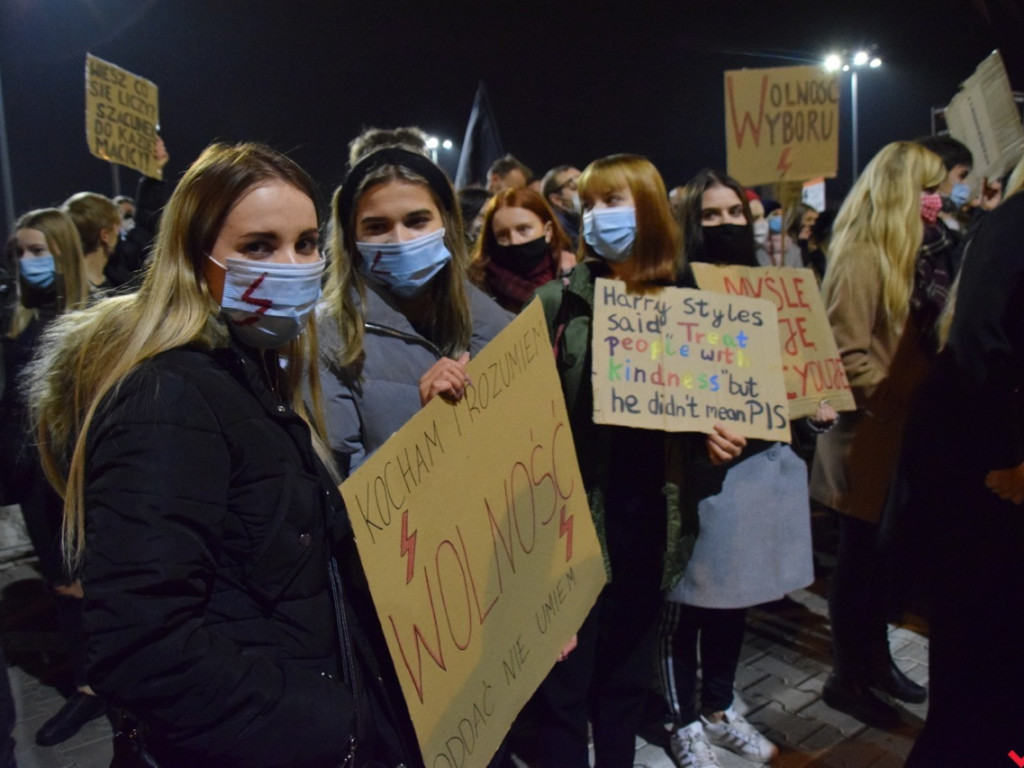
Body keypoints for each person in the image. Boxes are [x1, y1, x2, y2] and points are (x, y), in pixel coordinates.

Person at [25, 142, 416, 767]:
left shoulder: (253, 372)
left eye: (307, 243)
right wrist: (335, 723)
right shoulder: (168, 396)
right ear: (192, 258)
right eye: (258, 246)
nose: (292, 265)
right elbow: (141, 647)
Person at [528, 154, 746, 768]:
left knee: (626, 679)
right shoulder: (556, 307)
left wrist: (718, 446)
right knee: (565, 689)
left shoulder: (691, 306)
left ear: (649, 211)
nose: (597, 216)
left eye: (613, 202)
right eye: (589, 204)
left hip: (650, 521)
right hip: (573, 526)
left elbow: (716, 427)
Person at [664, 168, 833, 767]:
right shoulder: (673, 289)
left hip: (763, 468)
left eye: (735, 213)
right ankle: (680, 719)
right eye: (711, 216)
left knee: (737, 599)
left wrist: (817, 409)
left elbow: (800, 377)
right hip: (705, 474)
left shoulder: (776, 288)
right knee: (693, 603)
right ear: (691, 224)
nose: (726, 224)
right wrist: (698, 429)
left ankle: (716, 707)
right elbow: (659, 387)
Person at [810, 141, 945, 728]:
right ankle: (848, 677)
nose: (938, 200)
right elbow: (845, 357)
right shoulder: (863, 255)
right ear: (902, 192)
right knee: (858, 566)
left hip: (896, 440)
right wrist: (902, 391)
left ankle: (877, 661)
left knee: (880, 567)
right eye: (930, 187)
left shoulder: (909, 253)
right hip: (865, 441)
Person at [895, 157, 1024, 767]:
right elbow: (979, 343)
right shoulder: (1014, 224)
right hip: (994, 482)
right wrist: (1011, 456)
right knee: (982, 654)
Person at [319, 131, 511, 473]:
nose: (401, 240)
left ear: (447, 223)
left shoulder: (498, 324)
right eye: (377, 227)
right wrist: (425, 431)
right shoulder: (329, 337)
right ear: (351, 239)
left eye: (417, 221)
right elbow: (338, 482)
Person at [0, 208, 95, 747]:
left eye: (38, 251)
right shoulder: (19, 321)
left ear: (64, 254)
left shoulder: (93, 319)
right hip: (36, 480)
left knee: (95, 583)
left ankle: (113, 685)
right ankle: (86, 684)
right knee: (64, 585)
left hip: (82, 476)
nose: (27, 263)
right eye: (19, 252)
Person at [469, 186, 575, 312]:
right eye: (503, 235)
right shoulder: (477, 286)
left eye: (523, 229)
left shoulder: (571, 273)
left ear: (548, 231)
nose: (514, 241)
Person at [541, 164, 581, 249]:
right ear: (557, 199)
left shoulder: (576, 220)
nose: (585, 191)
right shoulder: (558, 232)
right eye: (575, 186)